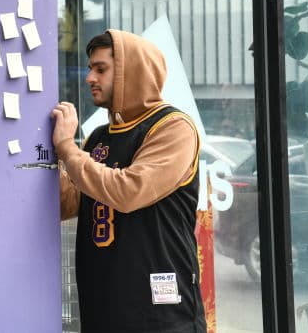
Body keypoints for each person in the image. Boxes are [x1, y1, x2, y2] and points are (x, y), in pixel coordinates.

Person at [52, 29, 206, 333]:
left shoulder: (173, 127)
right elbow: (67, 203)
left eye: (101, 69)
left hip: (161, 316)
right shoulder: (98, 137)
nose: (89, 78)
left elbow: (128, 191)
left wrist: (67, 148)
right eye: (90, 69)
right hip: (104, 307)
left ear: (130, 71)